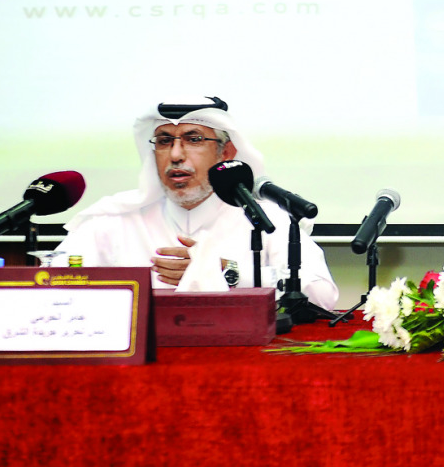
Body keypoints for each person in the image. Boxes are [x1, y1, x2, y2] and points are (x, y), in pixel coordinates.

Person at [56, 97, 338, 309]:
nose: (176, 155)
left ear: (226, 152)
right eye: (165, 141)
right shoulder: (112, 220)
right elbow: (49, 287)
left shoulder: (267, 219)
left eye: (193, 139)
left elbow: (322, 295)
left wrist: (229, 273)